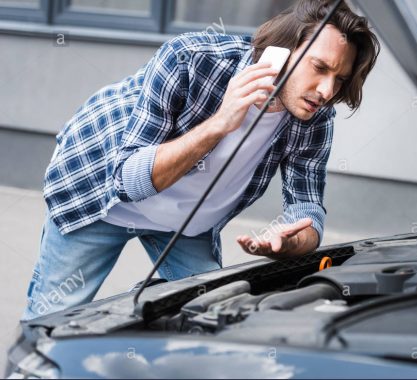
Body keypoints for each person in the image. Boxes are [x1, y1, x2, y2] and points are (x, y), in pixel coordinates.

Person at [21, 0, 379, 321]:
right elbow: (127, 180)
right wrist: (221, 123)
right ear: (282, 52)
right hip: (99, 194)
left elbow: (307, 207)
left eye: (340, 79)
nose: (327, 91)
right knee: (52, 318)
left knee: (214, 313)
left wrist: (291, 242)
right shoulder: (190, 59)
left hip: (185, 225)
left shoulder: (314, 115)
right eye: (320, 67)